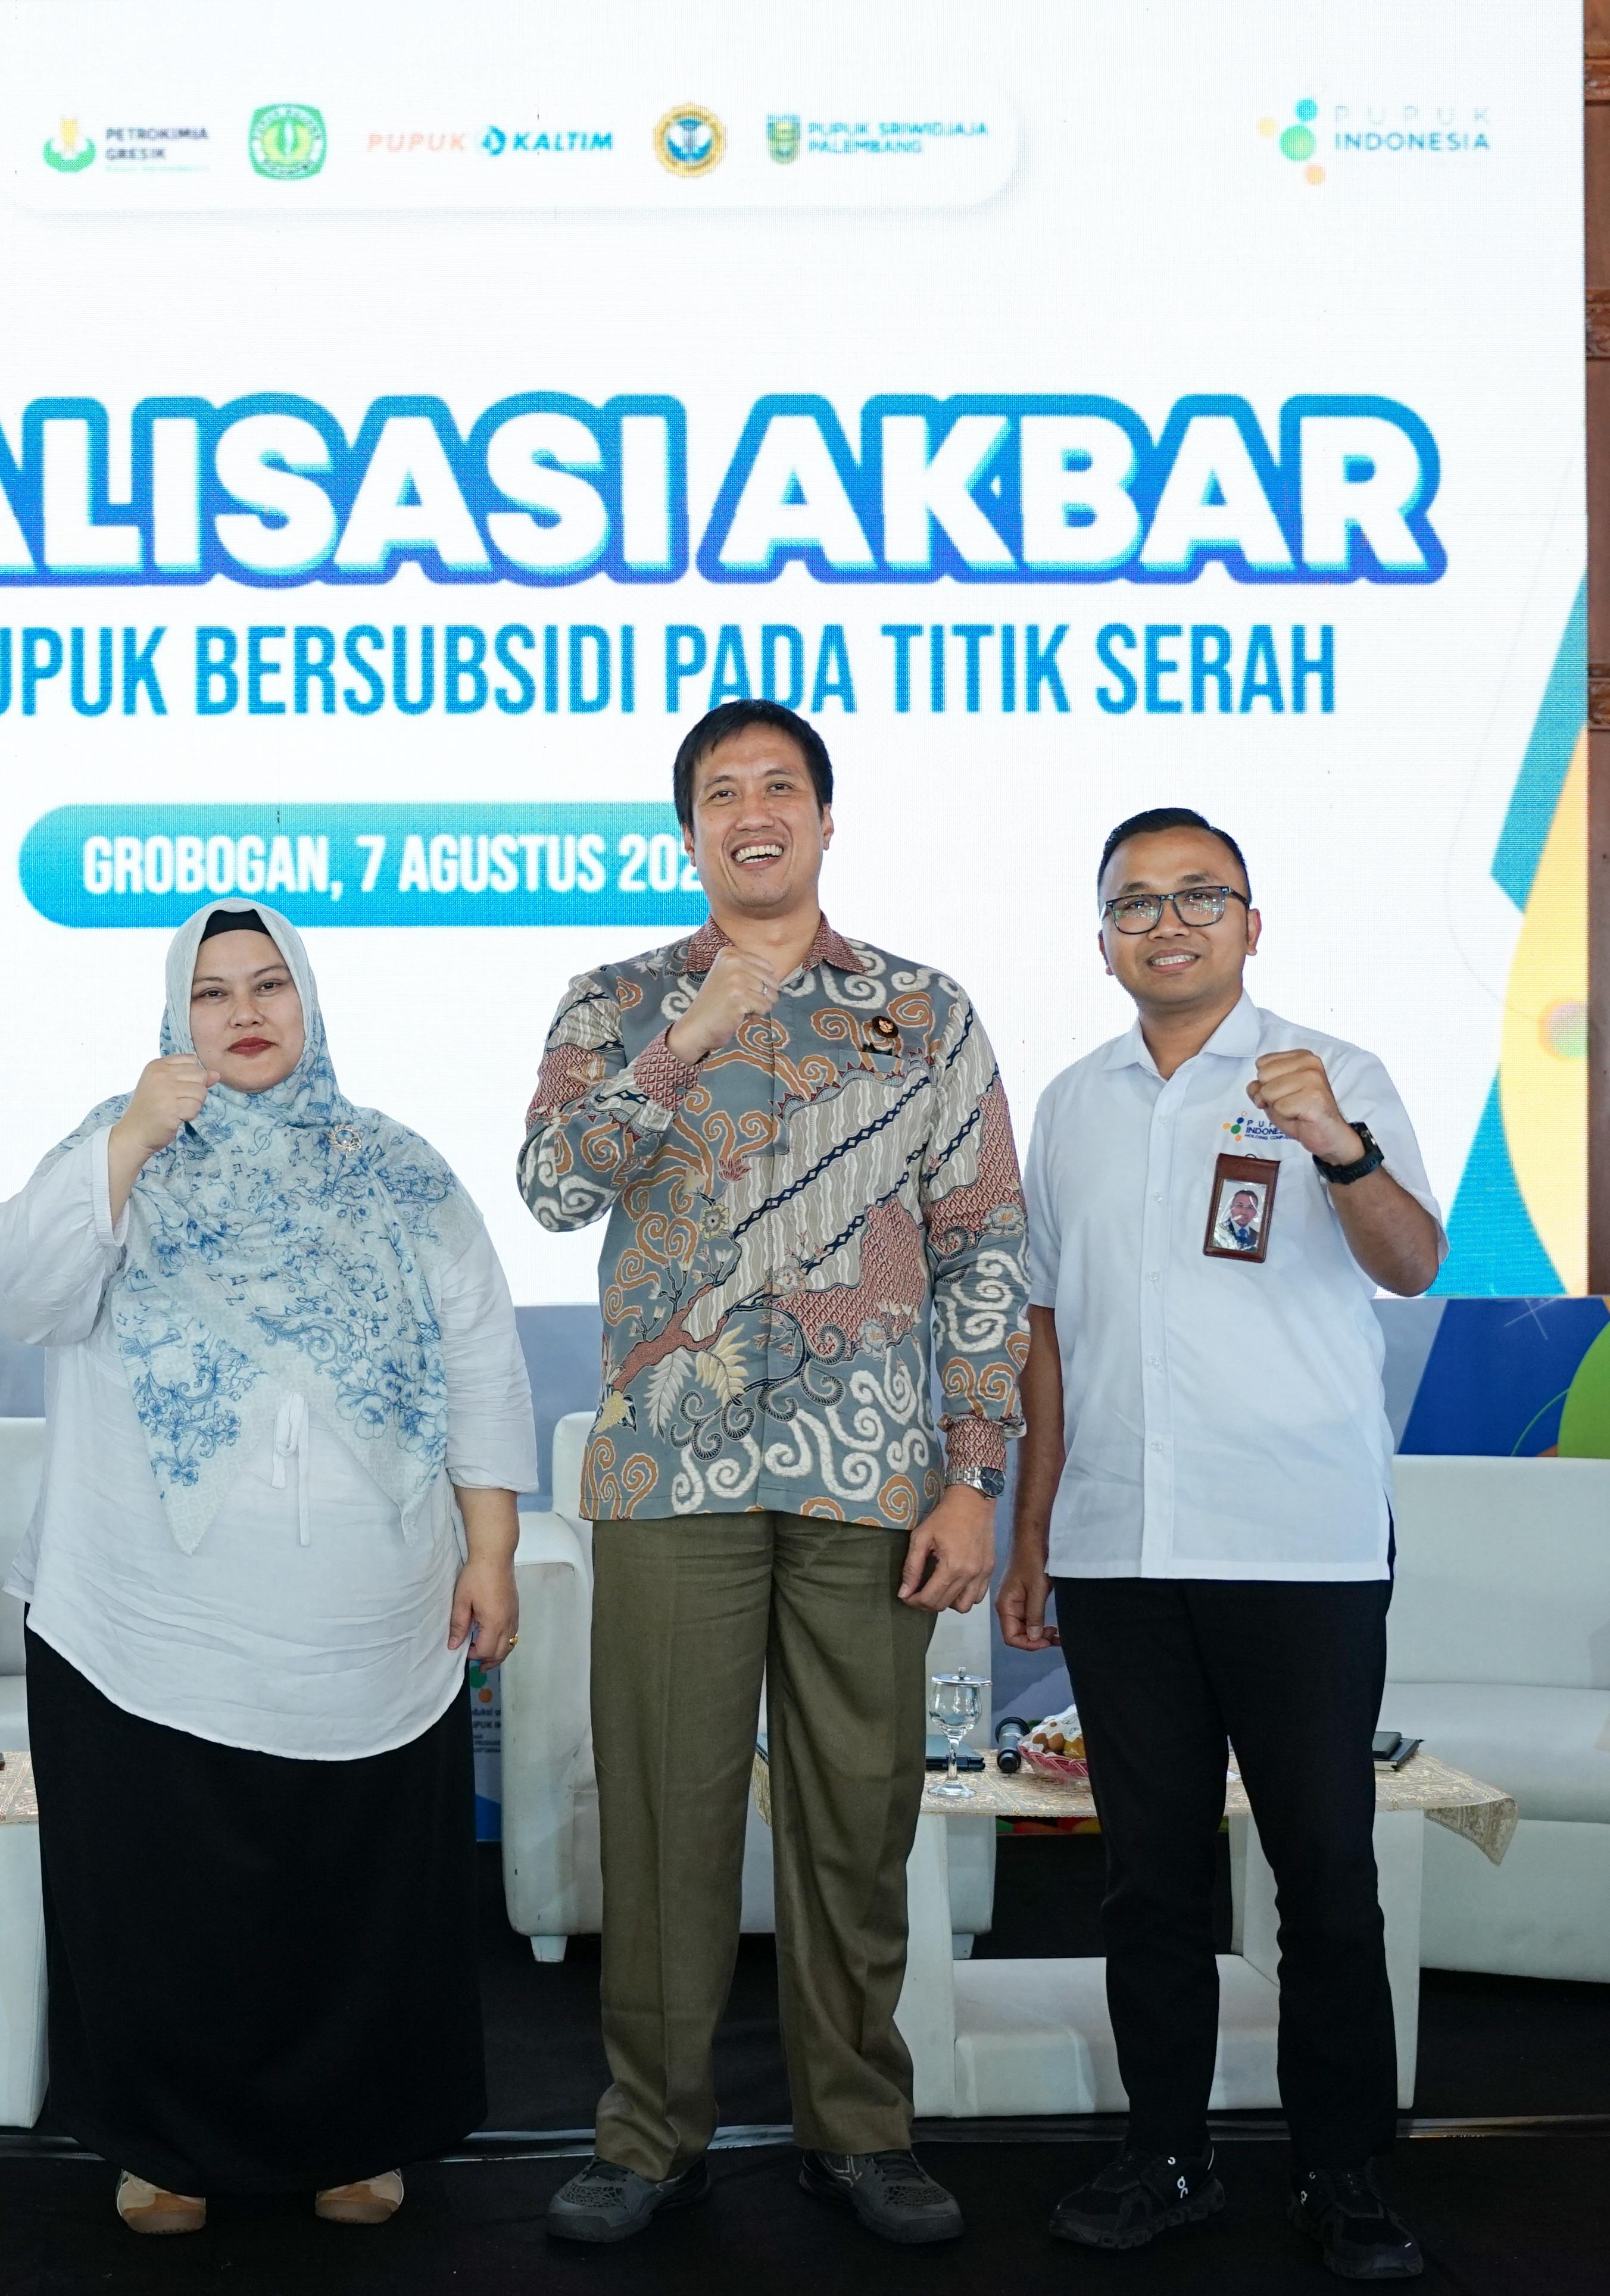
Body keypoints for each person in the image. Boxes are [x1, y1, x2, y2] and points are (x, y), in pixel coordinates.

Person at [519, 699, 1030, 2247]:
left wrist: (974, 1472)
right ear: (689, 832)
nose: (754, 812)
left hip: (871, 1478)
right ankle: (649, 2136)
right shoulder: (616, 1001)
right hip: (668, 1468)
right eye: (722, 792)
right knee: (662, 1819)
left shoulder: (921, 1010)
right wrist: (683, 1044)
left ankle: (858, 2132)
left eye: (781, 787)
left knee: (856, 1817)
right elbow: (551, 1188)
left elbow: (983, 1244)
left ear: (822, 818)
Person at [0, 902, 533, 2236]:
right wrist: (126, 1141)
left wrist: (494, 1547)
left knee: (354, 1891)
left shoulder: (397, 1168)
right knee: (162, 1891)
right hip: (149, 1621)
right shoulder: (117, 1148)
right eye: (213, 992)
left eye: (269, 985)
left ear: (309, 1002)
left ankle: (355, 2139)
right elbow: (23, 1293)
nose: (244, 1013)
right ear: (177, 1016)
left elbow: (479, 1355)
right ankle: (166, 2147)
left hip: (369, 1620)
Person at [997, 806, 1444, 2280]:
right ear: (1102, 940)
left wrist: (1339, 1150)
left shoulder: (1330, 1071)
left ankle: (1341, 2173)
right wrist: (1032, 1530)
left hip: (1298, 1542)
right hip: (1120, 1550)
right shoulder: (1069, 1102)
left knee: (1322, 1869)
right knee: (1145, 1879)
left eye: (1200, 896)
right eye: (1134, 903)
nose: (1167, 923)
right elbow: (1046, 1330)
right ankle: (1166, 2156)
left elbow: (1410, 1263)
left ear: (1252, 924)